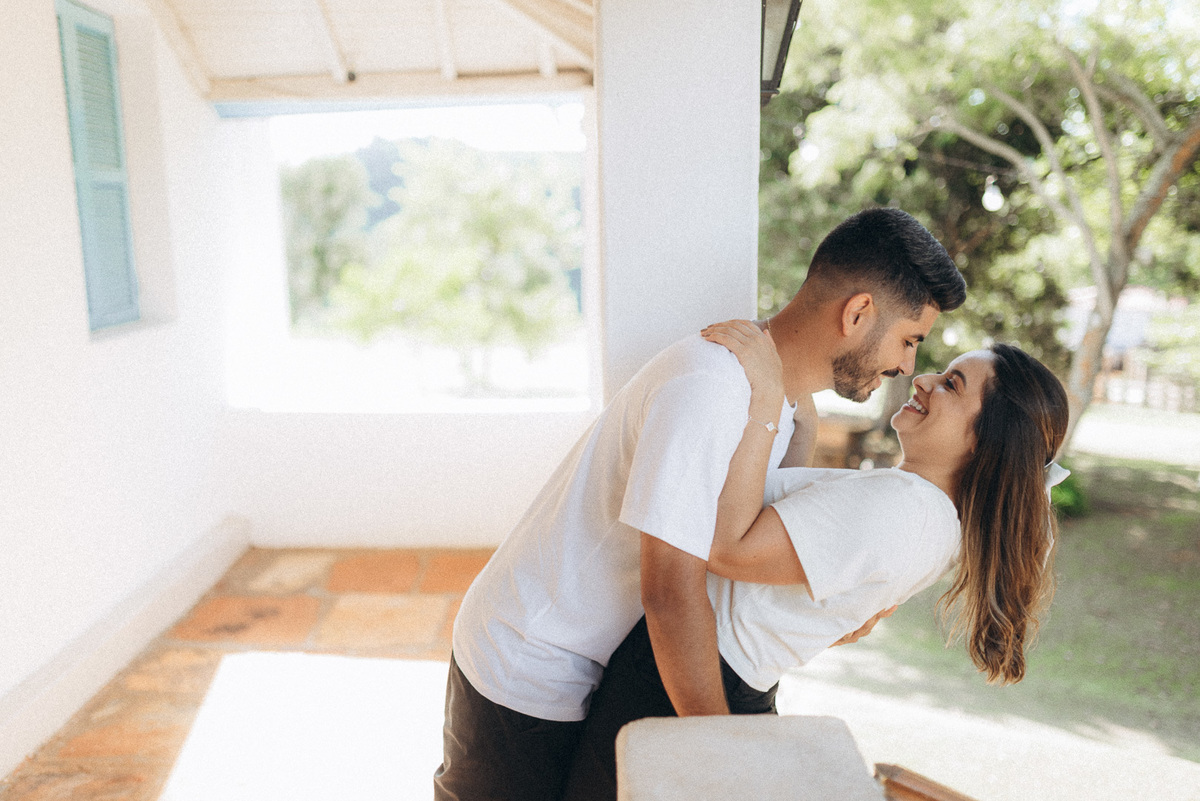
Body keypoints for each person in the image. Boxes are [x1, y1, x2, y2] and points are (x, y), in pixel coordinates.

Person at [434, 208, 967, 801]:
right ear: (858, 313)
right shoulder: (711, 386)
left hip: (598, 659)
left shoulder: (776, 398)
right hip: (531, 660)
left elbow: (760, 522)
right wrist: (722, 750)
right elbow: (670, 590)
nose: (908, 365)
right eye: (909, 339)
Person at [561, 324, 1071, 801]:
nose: (926, 378)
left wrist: (765, 400)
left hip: (683, 674)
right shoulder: (934, 518)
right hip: (720, 674)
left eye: (953, 385)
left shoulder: (903, 508)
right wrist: (801, 414)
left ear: (986, 441)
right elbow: (793, 538)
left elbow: (729, 548)